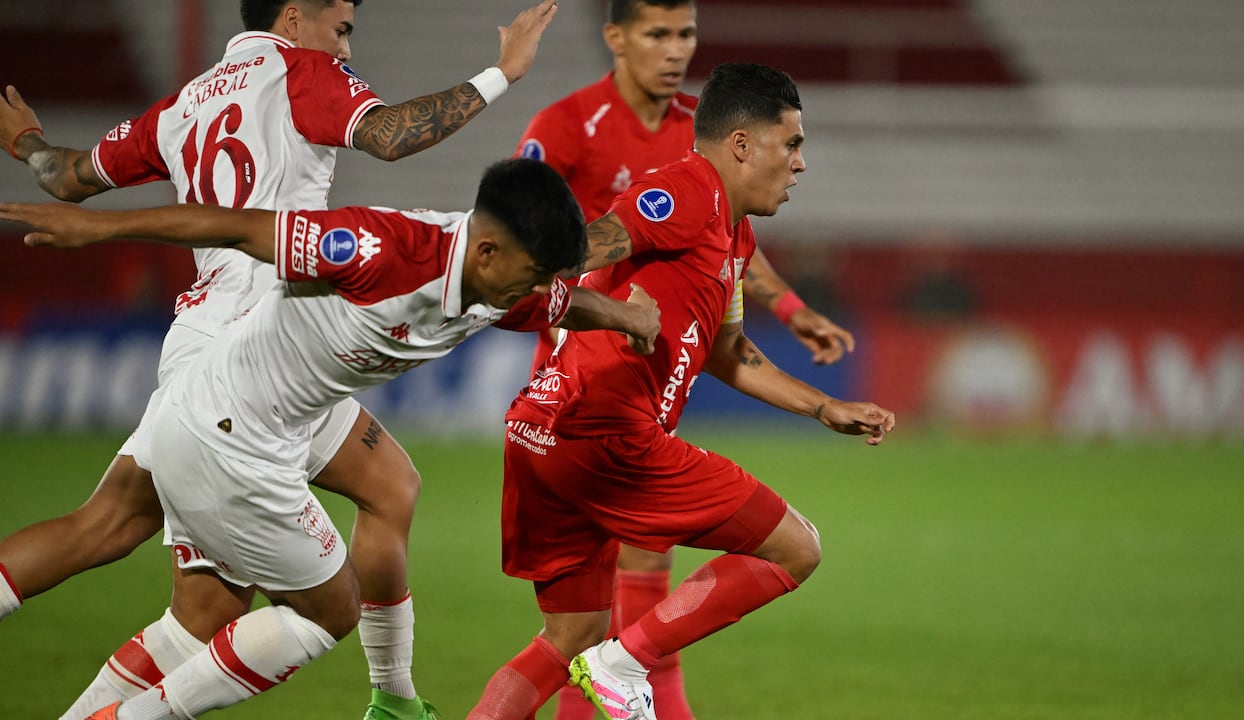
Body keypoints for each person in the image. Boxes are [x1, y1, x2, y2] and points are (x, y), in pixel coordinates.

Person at [0, 1, 558, 718]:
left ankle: (394, 699)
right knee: (179, 587)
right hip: (261, 344)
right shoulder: (304, 72)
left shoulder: (179, 108)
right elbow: (391, 136)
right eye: (341, 28)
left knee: (386, 484)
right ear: (293, 18)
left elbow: (68, 175)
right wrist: (501, 73)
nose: (345, 50)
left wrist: (28, 144)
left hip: (209, 334)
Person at [0, 157, 661, 720]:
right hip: (230, 435)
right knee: (329, 610)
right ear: (488, 252)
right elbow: (239, 227)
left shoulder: (501, 280)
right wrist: (97, 227)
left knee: (383, 489)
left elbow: (556, 303)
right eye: (537, 273)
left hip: (274, 410)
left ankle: (393, 699)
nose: (543, 290)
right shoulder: (382, 248)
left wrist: (624, 315)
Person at [466, 64, 895, 720]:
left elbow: (729, 352)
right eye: (792, 143)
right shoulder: (683, 191)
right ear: (742, 145)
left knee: (568, 637)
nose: (800, 163)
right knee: (795, 547)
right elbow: (583, 249)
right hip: (604, 433)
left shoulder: (734, 232)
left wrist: (821, 406)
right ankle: (623, 664)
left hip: (541, 433)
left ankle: (607, 661)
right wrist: (494, 277)